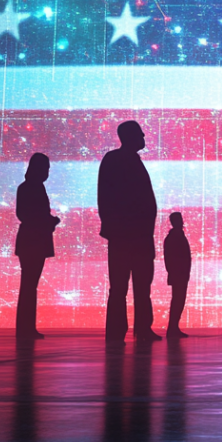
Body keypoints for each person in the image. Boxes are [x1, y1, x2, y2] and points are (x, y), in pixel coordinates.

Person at [98, 120, 159, 343]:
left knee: (139, 287)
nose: (144, 136)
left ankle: (138, 328)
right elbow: (107, 198)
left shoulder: (124, 160)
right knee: (123, 287)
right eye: (140, 134)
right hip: (127, 236)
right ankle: (123, 330)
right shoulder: (117, 160)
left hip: (136, 237)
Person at [15, 153, 60, 343]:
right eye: (46, 168)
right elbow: (27, 215)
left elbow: (25, 214)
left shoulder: (28, 187)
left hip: (30, 240)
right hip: (34, 240)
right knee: (29, 285)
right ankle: (26, 327)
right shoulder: (33, 188)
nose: (47, 172)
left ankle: (26, 327)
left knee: (29, 285)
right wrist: (50, 221)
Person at [163, 212, 192, 339]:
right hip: (179, 274)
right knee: (178, 300)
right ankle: (173, 328)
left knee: (178, 300)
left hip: (179, 274)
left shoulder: (174, 237)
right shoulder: (176, 237)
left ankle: (173, 327)